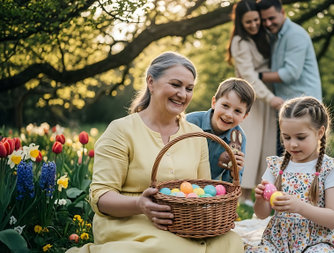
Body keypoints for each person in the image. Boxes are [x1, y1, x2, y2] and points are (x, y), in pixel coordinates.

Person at [67, 52, 244, 253]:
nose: (183, 94)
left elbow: (203, 191)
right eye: (175, 85)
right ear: (151, 82)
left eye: (189, 88)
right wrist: (139, 204)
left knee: (231, 242)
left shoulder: (196, 135)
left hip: (185, 225)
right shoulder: (121, 130)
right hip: (131, 222)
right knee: (175, 249)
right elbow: (100, 197)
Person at [246, 96, 334, 252]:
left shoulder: (331, 168)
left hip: (319, 240)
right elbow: (262, 215)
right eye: (286, 137)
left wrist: (300, 207)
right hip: (280, 240)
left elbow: (333, 219)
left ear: (319, 132)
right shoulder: (276, 166)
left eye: (300, 137)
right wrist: (260, 200)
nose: (292, 144)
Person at [227, 0, 283, 206]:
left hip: (266, 99)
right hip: (250, 97)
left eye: (256, 20)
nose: (253, 25)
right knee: (248, 144)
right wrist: (270, 98)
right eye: (248, 22)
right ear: (240, 23)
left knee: (265, 145)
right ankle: (242, 193)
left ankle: (261, 191)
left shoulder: (261, 38)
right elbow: (249, 76)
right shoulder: (240, 42)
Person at [257, 0, 323, 155]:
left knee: (305, 158)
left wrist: (257, 76)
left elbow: (290, 74)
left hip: (304, 107)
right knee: (287, 157)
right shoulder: (275, 36)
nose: (268, 23)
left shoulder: (295, 35)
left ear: (283, 13)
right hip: (287, 108)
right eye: (264, 20)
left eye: (271, 18)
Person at [186, 77, 255, 183]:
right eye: (225, 106)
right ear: (214, 103)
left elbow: (230, 185)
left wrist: (234, 172)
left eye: (237, 111)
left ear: (244, 116)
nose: (229, 115)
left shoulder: (238, 139)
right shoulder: (190, 122)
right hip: (180, 182)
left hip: (209, 190)